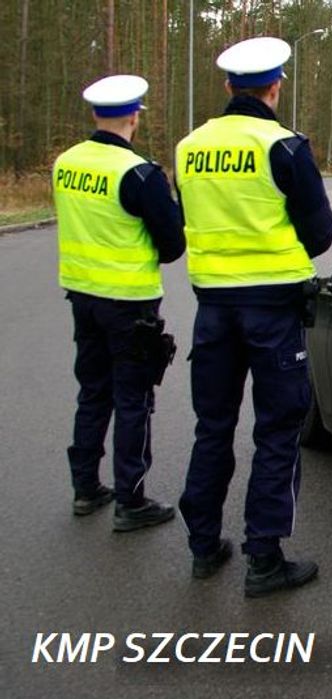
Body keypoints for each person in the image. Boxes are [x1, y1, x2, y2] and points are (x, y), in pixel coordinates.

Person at [175, 37, 332, 596]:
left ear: (227, 86)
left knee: (212, 427)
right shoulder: (284, 147)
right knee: (277, 430)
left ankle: (202, 547)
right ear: (276, 85)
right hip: (272, 312)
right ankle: (263, 560)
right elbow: (321, 233)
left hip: (213, 311)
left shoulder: (188, 147)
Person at [54, 74, 185, 531]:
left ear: (94, 114)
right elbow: (171, 246)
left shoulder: (65, 163)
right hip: (129, 303)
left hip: (82, 297)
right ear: (134, 115)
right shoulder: (139, 174)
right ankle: (132, 500)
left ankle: (85, 488)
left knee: (93, 392)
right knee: (133, 399)